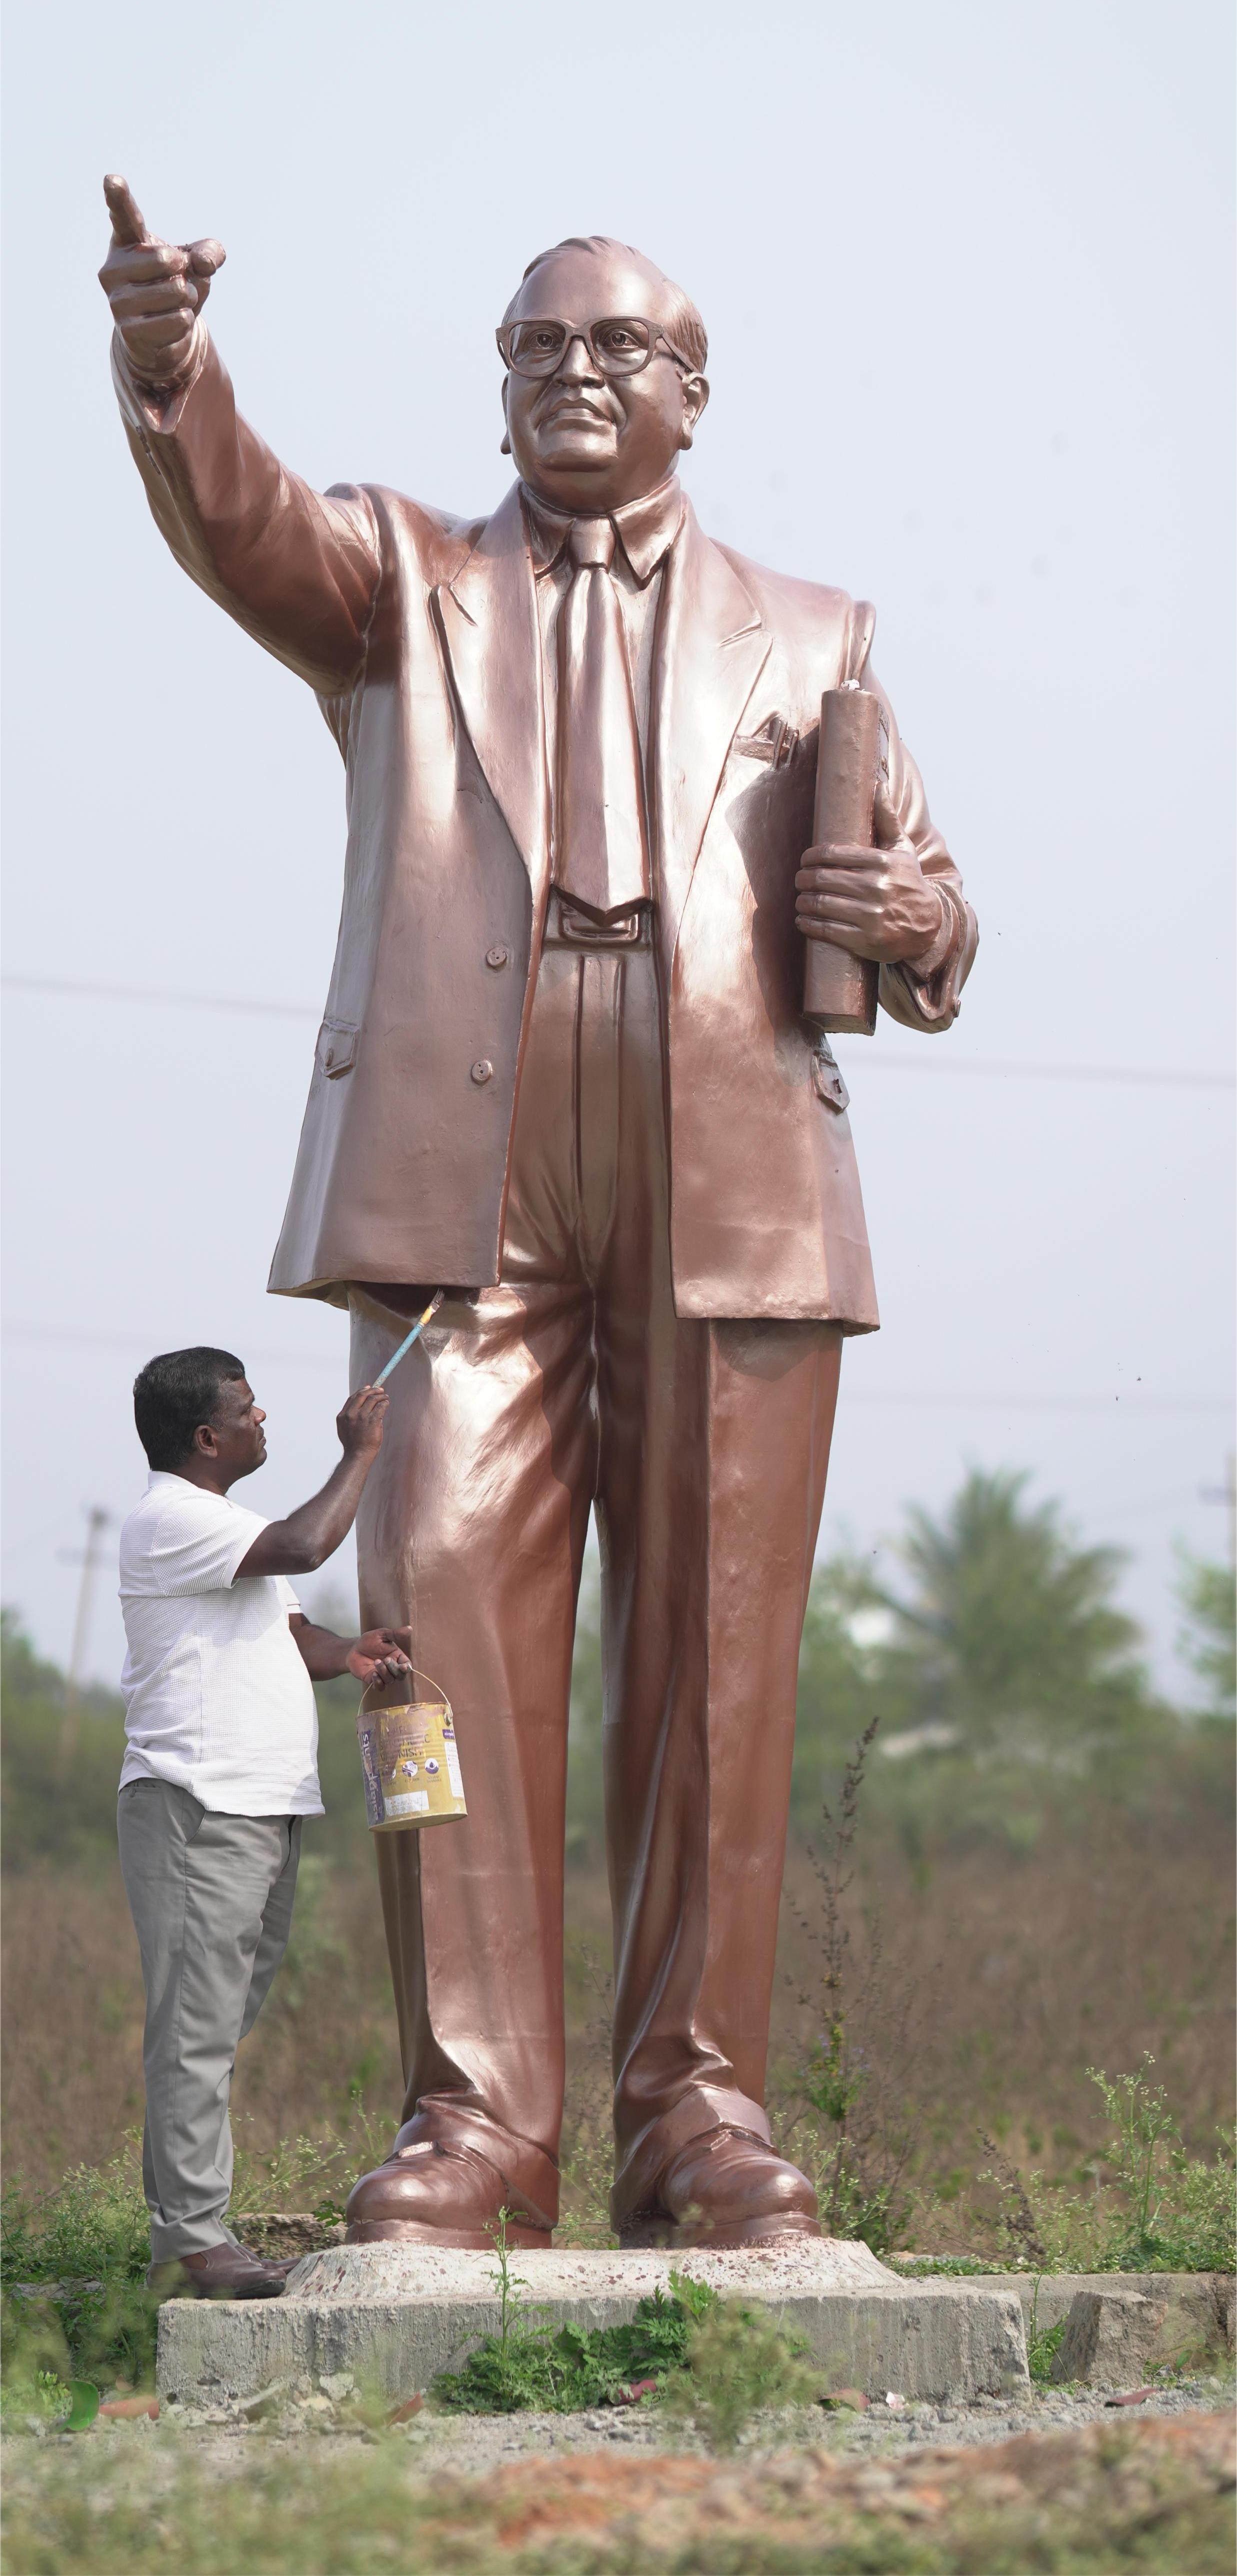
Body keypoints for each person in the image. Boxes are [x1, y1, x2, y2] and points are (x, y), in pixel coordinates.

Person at [100, 182, 978, 2253]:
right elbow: (245, 524)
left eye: (612, 345)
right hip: (457, 1184)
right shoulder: (402, 581)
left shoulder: (816, 634)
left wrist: (915, 914)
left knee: (717, 1663)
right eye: (532, 347)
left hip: (728, 1166)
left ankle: (699, 2108)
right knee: (433, 1652)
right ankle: (474, 2116)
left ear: (693, 393)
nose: (568, 373)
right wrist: (169, 364)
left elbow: (939, 907)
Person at [118, 1345, 414, 2296]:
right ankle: (192, 2245)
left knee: (210, 2028)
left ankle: (191, 2233)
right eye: (247, 1409)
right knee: (195, 2031)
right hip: (199, 1805)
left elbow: (289, 1630)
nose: (261, 1419)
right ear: (207, 1437)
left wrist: (351, 1652)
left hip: (258, 1807)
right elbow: (306, 1546)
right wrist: (359, 1452)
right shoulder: (171, 1517)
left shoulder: (225, 1526)